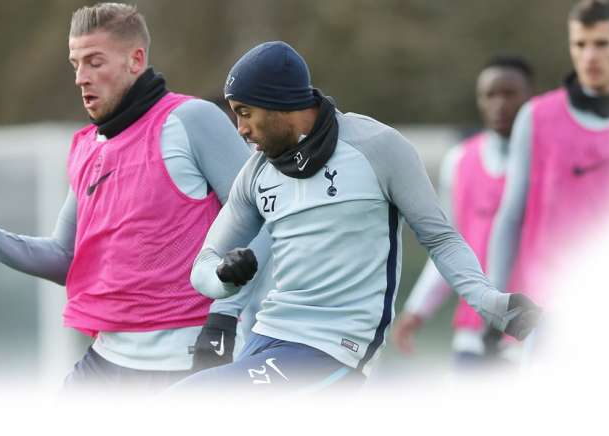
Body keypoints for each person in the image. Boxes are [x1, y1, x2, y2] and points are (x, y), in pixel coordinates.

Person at [0, 2, 269, 391]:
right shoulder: (87, 147)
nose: (81, 78)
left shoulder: (192, 120)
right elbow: (67, 258)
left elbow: (265, 218)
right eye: (75, 64)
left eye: (95, 62)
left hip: (186, 362)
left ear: (136, 60)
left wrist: (224, 320)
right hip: (106, 361)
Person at [172, 41, 540, 393]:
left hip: (335, 350)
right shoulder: (256, 173)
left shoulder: (378, 147)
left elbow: (441, 239)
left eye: (245, 112)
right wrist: (224, 278)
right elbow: (203, 265)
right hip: (266, 338)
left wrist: (489, 301)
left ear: (279, 103)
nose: (240, 129)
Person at [486, 0, 609, 352]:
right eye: (580, 44)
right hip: (549, 316)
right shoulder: (535, 117)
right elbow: (510, 216)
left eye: (601, 43)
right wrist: (495, 304)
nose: (590, 56)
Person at [392, 56, 534, 369]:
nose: (499, 104)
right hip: (472, 337)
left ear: (529, 98)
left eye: (509, 93)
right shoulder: (459, 161)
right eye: (490, 95)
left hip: (530, 339)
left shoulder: (548, 160)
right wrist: (417, 310)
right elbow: (447, 246)